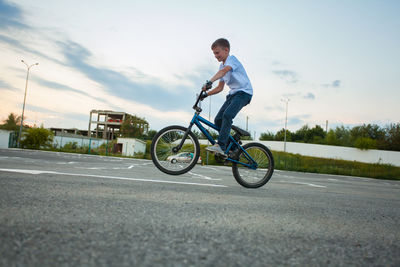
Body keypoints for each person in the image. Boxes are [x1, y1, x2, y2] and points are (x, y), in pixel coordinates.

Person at [201, 38, 253, 157]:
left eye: (217, 52)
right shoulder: (221, 67)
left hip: (244, 93)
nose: (215, 56)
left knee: (227, 115)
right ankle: (232, 147)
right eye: (214, 53)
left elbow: (224, 71)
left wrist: (210, 81)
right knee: (218, 120)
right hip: (233, 95)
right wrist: (206, 94)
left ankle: (221, 146)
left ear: (226, 50)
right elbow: (220, 88)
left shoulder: (232, 60)